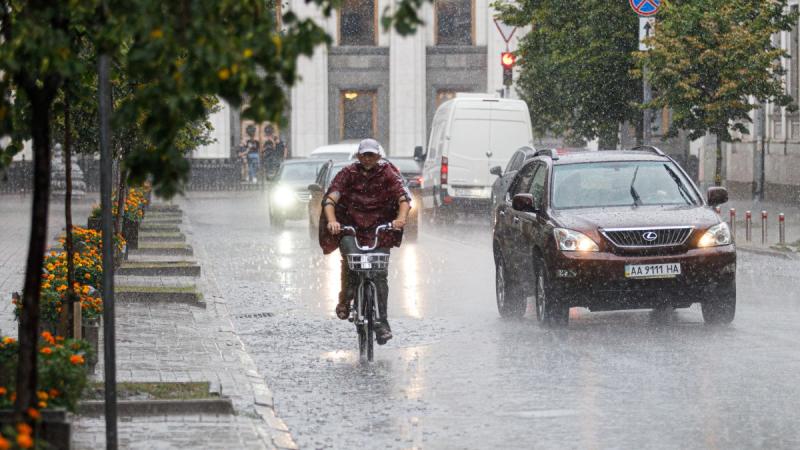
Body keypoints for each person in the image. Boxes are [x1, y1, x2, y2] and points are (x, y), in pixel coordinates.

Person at [319, 138, 411, 344]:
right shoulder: (348, 173)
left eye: (372, 155)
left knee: (379, 275)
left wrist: (400, 219)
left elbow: (403, 199)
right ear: (358, 156)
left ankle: (382, 323)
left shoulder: (387, 173)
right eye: (364, 155)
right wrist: (333, 221)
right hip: (351, 228)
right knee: (351, 265)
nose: (368, 159)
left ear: (378, 156)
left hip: (380, 229)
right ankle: (345, 299)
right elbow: (331, 199)